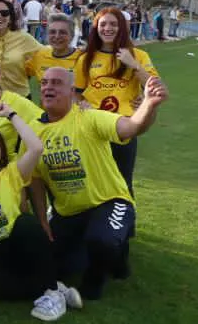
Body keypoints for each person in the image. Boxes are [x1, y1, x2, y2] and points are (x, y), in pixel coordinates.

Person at [30, 68, 167, 299]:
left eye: (56, 83)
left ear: (72, 92)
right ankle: (94, 252)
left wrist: (150, 104)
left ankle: (95, 282)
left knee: (102, 240)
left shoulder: (89, 117)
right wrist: (43, 220)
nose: (48, 87)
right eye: (44, 83)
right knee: (45, 261)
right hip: (68, 213)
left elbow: (132, 127)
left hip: (109, 201)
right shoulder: (34, 131)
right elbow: (35, 180)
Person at [0, 108, 82, 321]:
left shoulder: (11, 174)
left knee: (26, 224)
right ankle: (53, 286)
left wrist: (12, 116)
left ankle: (52, 293)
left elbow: (36, 147)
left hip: (14, 247)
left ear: (2, 154)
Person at [75, 7, 159, 194]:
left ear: (122, 27)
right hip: (93, 129)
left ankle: (125, 222)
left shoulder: (138, 56)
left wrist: (133, 65)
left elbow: (155, 86)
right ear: (96, 28)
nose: (108, 28)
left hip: (124, 128)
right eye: (103, 24)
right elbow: (77, 92)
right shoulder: (85, 58)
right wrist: (80, 102)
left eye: (113, 24)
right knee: (91, 183)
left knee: (122, 184)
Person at [26, 13, 82, 83]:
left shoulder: (83, 58)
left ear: (72, 36)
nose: (57, 36)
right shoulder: (39, 55)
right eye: (52, 32)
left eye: (62, 32)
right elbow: (20, 73)